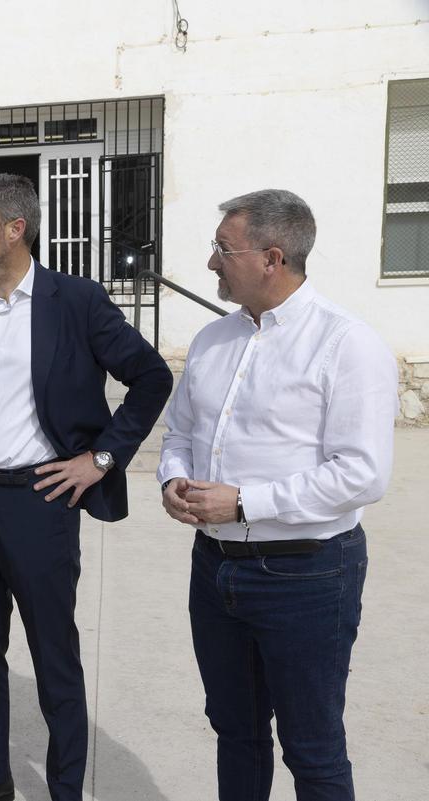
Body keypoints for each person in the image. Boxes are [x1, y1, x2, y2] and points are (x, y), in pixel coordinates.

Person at [0, 174, 172, 801]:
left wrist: (102, 458)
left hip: (43, 502)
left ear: (14, 229)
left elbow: (152, 377)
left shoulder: (76, 301)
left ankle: (65, 789)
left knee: (55, 657)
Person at [158, 189, 398, 801]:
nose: (211, 261)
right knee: (235, 732)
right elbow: (181, 431)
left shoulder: (347, 343)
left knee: (312, 747)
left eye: (222, 249)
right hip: (214, 570)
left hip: (307, 575)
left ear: (272, 257)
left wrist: (243, 502)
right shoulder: (214, 340)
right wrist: (173, 479)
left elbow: (363, 474)